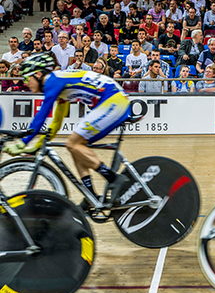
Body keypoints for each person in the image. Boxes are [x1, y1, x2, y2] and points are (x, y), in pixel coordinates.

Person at [4, 53, 130, 206]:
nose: (25, 83)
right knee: (75, 146)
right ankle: (91, 197)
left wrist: (24, 142)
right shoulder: (60, 86)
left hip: (113, 99)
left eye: (26, 78)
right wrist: (37, 146)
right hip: (111, 98)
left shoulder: (52, 81)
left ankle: (114, 179)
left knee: (72, 143)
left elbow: (42, 114)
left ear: (37, 74)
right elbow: (56, 122)